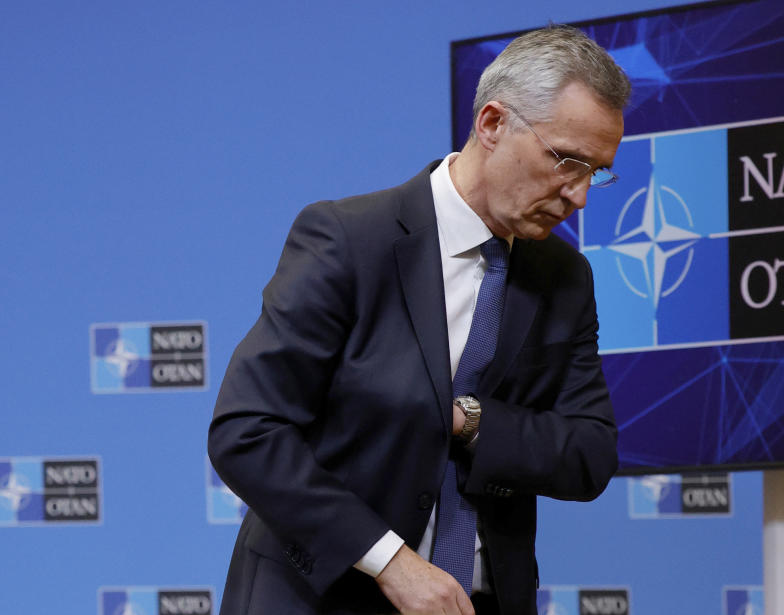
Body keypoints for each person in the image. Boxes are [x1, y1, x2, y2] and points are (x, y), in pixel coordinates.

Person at [208, 24, 631, 615]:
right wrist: (391, 562)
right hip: (325, 594)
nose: (579, 195)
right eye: (566, 161)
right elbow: (247, 431)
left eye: (597, 172)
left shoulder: (564, 277)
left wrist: (470, 420)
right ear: (492, 124)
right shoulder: (349, 240)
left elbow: (589, 453)